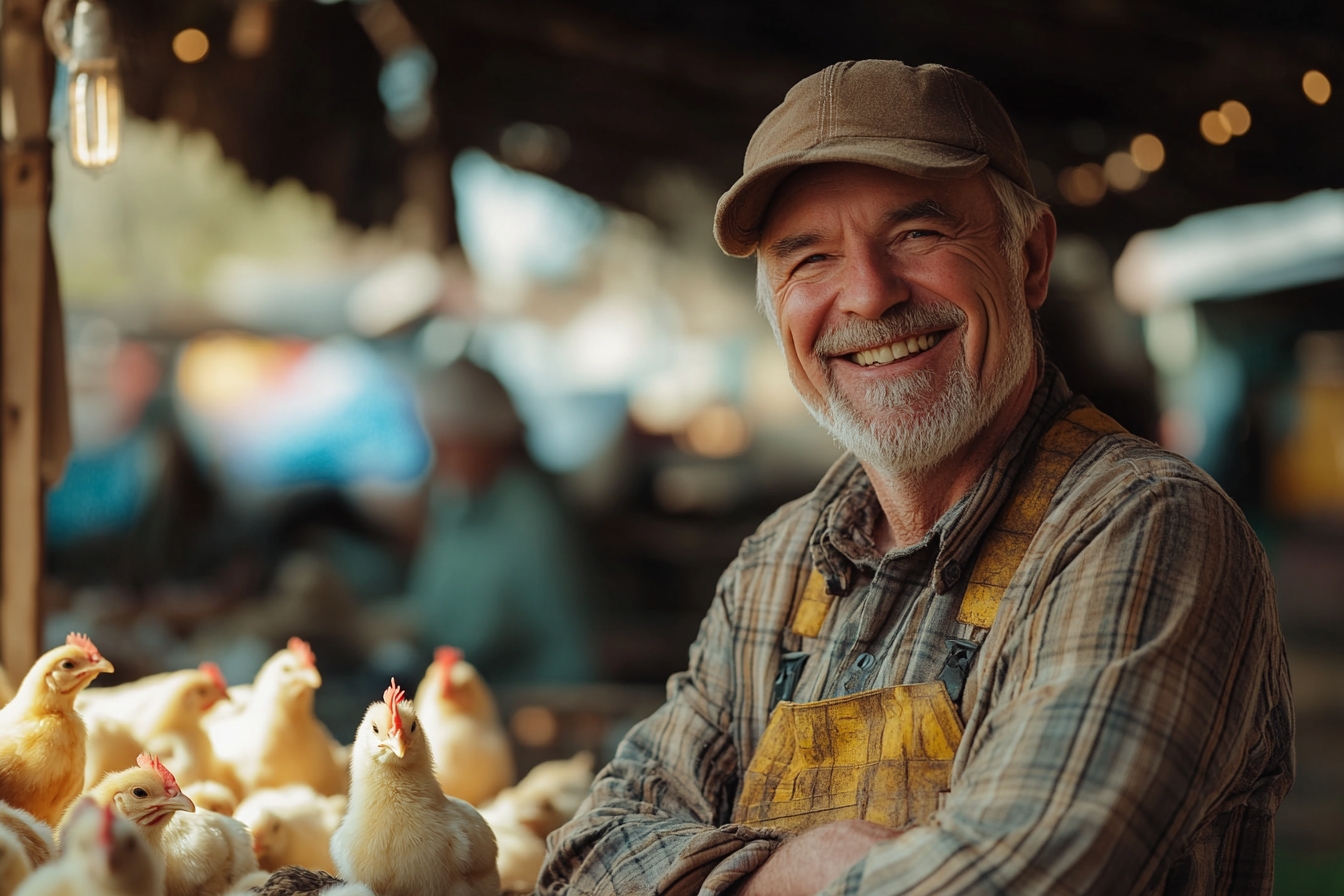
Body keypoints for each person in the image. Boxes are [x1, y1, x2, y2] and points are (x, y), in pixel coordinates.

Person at [538, 60, 1293, 895]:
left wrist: (717, 878)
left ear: (1031, 258)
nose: (867, 295)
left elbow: (1013, 882)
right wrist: (793, 873)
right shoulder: (776, 566)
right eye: (810, 258)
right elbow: (585, 858)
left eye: (917, 235)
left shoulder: (1145, 527)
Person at [401, 358, 596, 685]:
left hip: (537, 692)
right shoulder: (458, 503)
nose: (439, 462)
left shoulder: (529, 512)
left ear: (486, 437)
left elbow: (482, 633)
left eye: (450, 446)